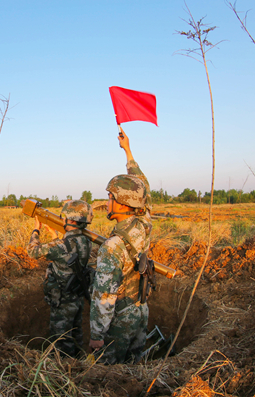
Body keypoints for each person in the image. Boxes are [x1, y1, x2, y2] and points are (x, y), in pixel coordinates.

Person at [89, 127, 152, 364]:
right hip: (141, 310)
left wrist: (96, 336)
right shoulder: (145, 224)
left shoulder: (112, 247)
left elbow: (104, 297)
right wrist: (128, 151)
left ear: (122, 202)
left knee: (109, 376)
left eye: (111, 197)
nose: (107, 202)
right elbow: (143, 187)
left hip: (120, 320)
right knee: (136, 365)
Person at [27, 200, 94, 357]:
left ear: (69, 219)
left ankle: (66, 370)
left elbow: (32, 251)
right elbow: (68, 248)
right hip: (77, 298)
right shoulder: (86, 240)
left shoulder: (62, 245)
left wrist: (36, 230)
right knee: (76, 334)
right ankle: (79, 364)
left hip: (63, 300)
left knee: (61, 341)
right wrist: (54, 235)